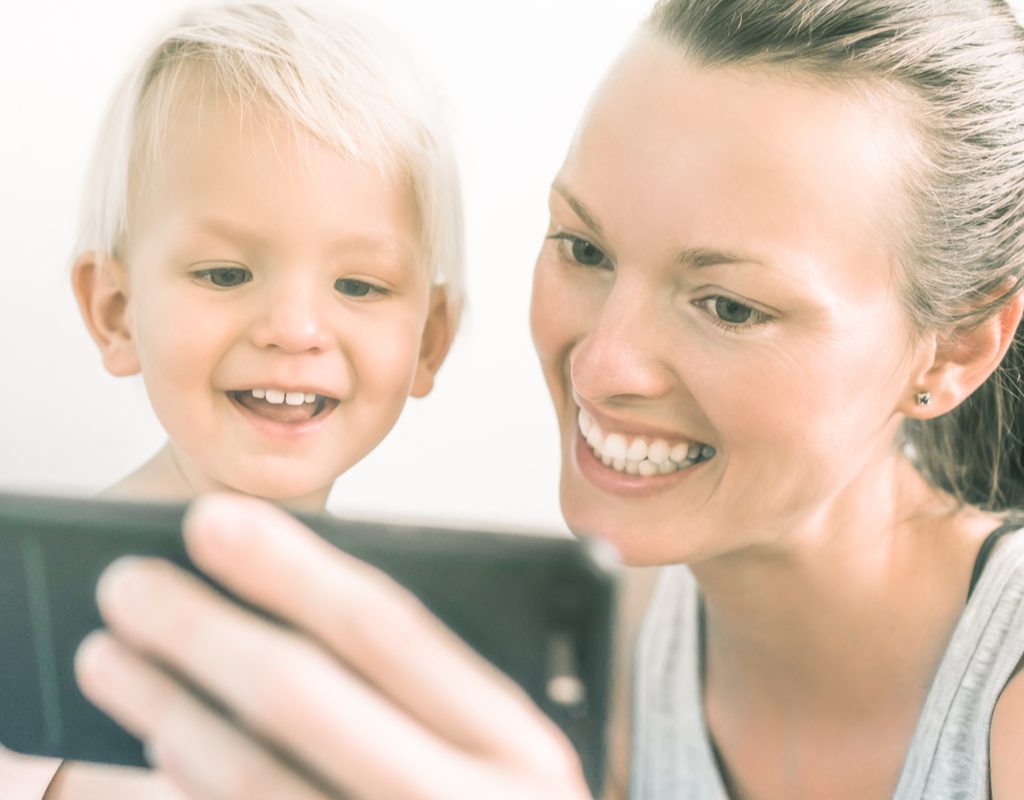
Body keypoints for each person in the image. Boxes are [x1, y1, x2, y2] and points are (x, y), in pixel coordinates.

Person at [73, 0, 1024, 797]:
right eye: (584, 248)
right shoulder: (598, 647)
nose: (602, 365)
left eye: (730, 306)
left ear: (957, 350)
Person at [0, 0, 462, 797]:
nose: (294, 329)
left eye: (359, 284)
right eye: (224, 274)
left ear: (428, 341)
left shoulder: (417, 652)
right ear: (116, 314)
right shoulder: (33, 619)